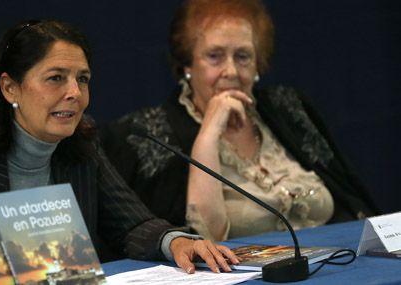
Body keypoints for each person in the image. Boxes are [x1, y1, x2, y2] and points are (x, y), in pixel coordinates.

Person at [0, 19, 239, 274]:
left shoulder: (82, 154)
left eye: (82, 79)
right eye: (56, 78)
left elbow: (134, 225)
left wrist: (176, 242)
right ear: (10, 88)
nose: (75, 92)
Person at [101, 0, 379, 241]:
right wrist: (208, 134)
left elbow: (349, 199)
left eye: (243, 56)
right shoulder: (148, 135)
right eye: (215, 56)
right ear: (187, 64)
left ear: (258, 65)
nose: (231, 71)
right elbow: (203, 239)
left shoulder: (287, 107)